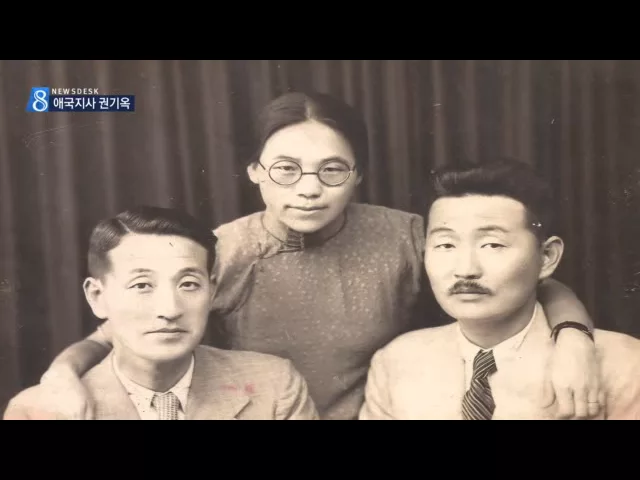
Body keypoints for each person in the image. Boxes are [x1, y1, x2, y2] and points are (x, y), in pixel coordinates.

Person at [20, 92, 599, 420]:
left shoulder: (403, 234)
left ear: (358, 176)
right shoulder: (223, 249)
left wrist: (574, 337)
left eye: (332, 170)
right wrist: (61, 373)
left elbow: (512, 278)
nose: (308, 190)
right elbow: (117, 331)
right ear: (255, 172)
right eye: (286, 170)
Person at [359, 159, 640, 420]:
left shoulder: (623, 364)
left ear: (547, 257)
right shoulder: (395, 363)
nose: (466, 269)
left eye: (492, 245)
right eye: (446, 245)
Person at [4, 206, 319, 420]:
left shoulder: (273, 386)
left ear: (211, 292)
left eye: (188, 284)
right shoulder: (41, 411)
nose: (169, 310)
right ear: (97, 297)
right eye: (142, 285)